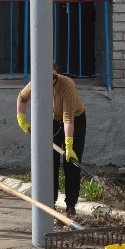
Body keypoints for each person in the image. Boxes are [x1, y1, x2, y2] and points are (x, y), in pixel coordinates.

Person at [15, 65, 86, 217]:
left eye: (52, 77)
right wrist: (21, 120)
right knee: (50, 163)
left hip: (75, 120)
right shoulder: (36, 82)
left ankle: (70, 206)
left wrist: (69, 145)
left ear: (56, 75)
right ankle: (50, 204)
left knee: (71, 163)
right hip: (52, 121)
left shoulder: (67, 84)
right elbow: (22, 97)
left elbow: (68, 118)